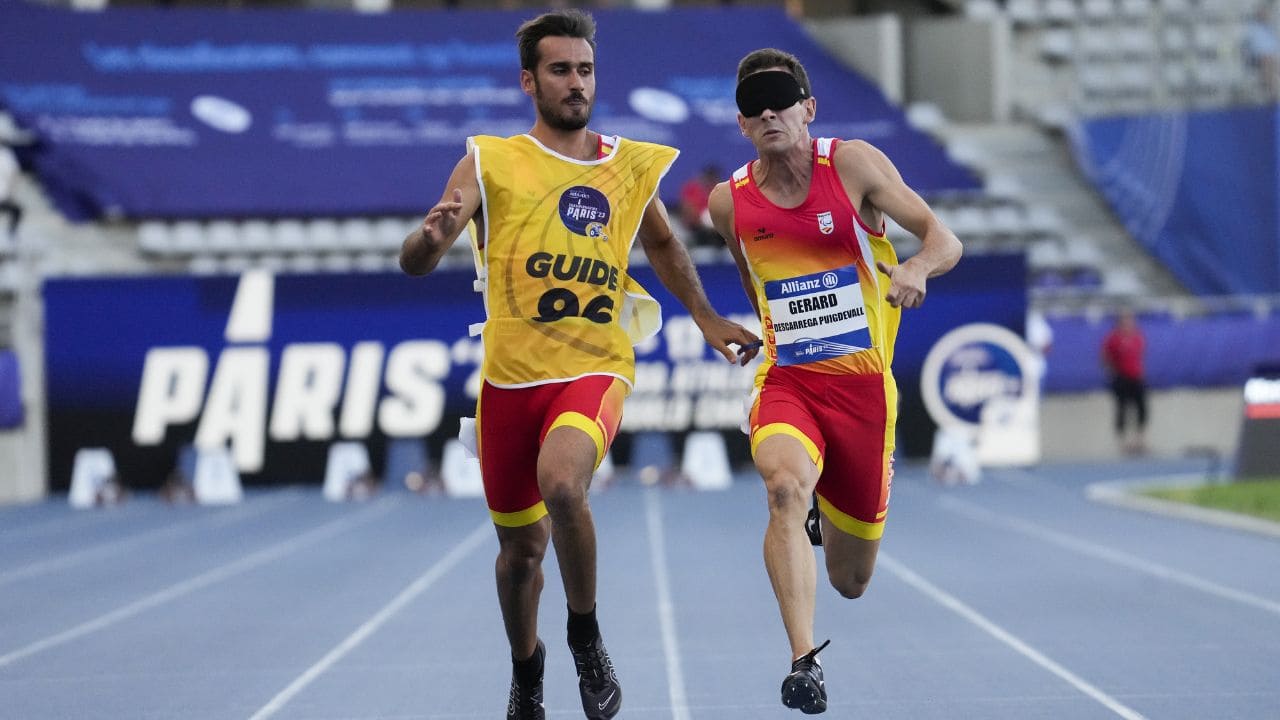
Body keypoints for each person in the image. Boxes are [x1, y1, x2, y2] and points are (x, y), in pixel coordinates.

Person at [398, 11, 759, 720]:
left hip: (594, 365)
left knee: (563, 486)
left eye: (585, 69)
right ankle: (527, 671)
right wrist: (431, 236)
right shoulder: (487, 160)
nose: (575, 82)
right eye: (560, 70)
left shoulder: (623, 163)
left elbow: (662, 244)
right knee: (519, 558)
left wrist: (706, 317)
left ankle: (585, 635)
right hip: (508, 381)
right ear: (530, 80)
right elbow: (415, 261)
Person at [706, 48, 962, 714]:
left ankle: (831, 510)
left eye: (781, 99)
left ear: (808, 109)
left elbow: (944, 238)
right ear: (741, 125)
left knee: (850, 580)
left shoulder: (850, 166)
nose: (768, 112)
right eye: (753, 105)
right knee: (783, 486)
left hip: (863, 394)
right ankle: (803, 662)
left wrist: (916, 270)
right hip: (789, 382)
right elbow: (752, 276)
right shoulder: (727, 202)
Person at [1101, 308, 1147, 454]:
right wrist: (1112, 372)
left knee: (1141, 408)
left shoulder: (1137, 337)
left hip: (1136, 377)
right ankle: (1122, 443)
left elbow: (1139, 356)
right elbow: (1105, 356)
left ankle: (1139, 440)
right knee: (1122, 409)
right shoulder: (1114, 339)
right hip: (1121, 378)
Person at [678, 163, 722, 247]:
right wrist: (701, 221)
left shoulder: (721, 191)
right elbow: (687, 211)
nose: (710, 181)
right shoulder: (691, 189)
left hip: (719, 231)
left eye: (713, 178)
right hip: (695, 229)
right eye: (708, 177)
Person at [0, 141, 22, 239]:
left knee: (16, 212)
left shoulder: (6, 156)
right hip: (4, 195)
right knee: (16, 212)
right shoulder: (6, 156)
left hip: (4, 195)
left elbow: (13, 175)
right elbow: (14, 175)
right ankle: (11, 234)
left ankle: (11, 234)